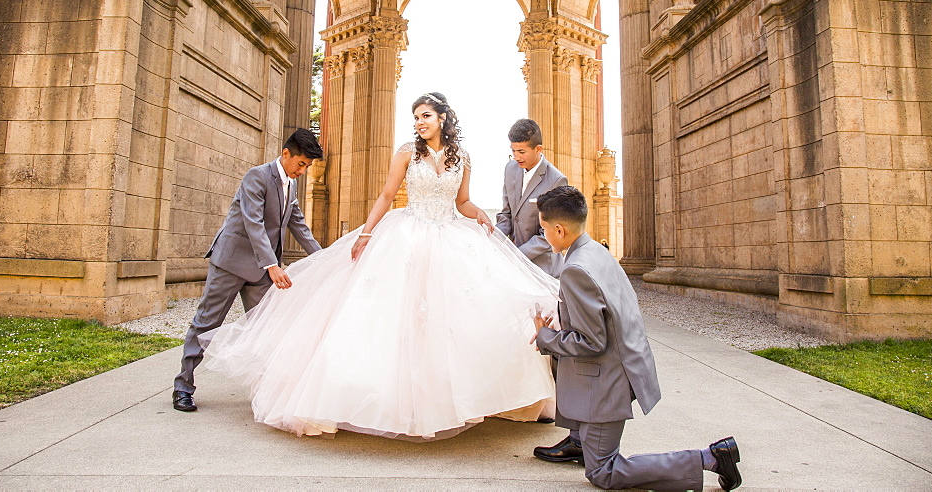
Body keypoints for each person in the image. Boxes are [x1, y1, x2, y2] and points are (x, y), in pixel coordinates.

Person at [199, 92, 560, 439]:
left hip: (450, 236)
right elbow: (387, 194)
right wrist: (366, 233)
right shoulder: (406, 152)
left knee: (452, 317)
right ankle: (385, 399)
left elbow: (462, 201)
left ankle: (455, 396)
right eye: (416, 117)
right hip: (407, 234)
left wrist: (479, 214)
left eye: (426, 116)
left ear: (443, 118)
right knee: (393, 316)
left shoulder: (462, 156)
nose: (419, 123)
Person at [531, 186, 743, 491]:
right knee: (597, 459)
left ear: (559, 229)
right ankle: (582, 443)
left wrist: (545, 336)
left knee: (603, 472)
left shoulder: (575, 269)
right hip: (622, 365)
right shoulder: (596, 252)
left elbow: (591, 342)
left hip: (604, 381)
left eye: (544, 228)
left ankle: (710, 458)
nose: (544, 234)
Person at [172, 128, 324, 412]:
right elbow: (253, 222)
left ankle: (264, 390)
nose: (303, 170)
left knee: (266, 327)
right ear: (286, 153)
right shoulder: (257, 176)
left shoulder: (291, 185)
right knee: (207, 321)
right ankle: (183, 386)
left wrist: (325, 259)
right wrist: (272, 265)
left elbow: (299, 226)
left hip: (260, 272)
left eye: (307, 166)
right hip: (231, 262)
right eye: (301, 163)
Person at [495, 119, 568, 278]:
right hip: (514, 267)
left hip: (543, 269)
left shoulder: (557, 180)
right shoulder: (510, 169)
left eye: (521, 152)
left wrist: (517, 256)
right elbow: (507, 215)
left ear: (538, 149)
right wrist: (493, 239)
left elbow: (550, 234)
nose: (516, 157)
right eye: (513, 151)